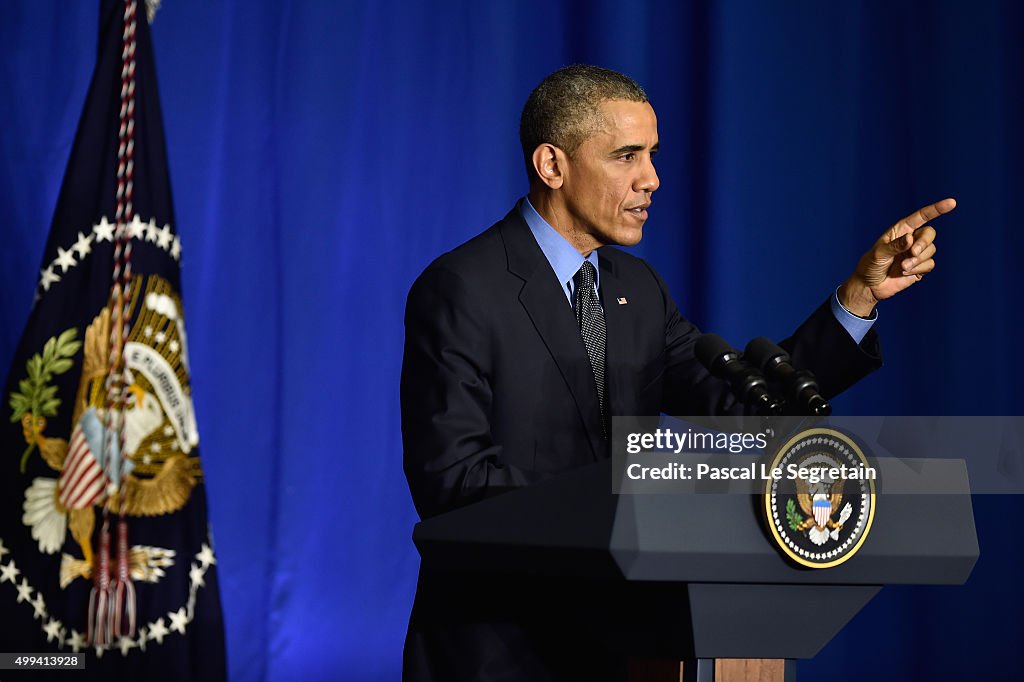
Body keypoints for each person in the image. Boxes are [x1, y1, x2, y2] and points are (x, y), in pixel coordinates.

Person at [400, 64, 953, 681]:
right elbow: (452, 483)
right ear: (552, 165)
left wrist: (858, 298)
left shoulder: (638, 289)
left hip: (631, 648)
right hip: (501, 651)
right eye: (626, 156)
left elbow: (747, 405)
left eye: (653, 155)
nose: (652, 180)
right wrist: (634, 503)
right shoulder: (463, 288)